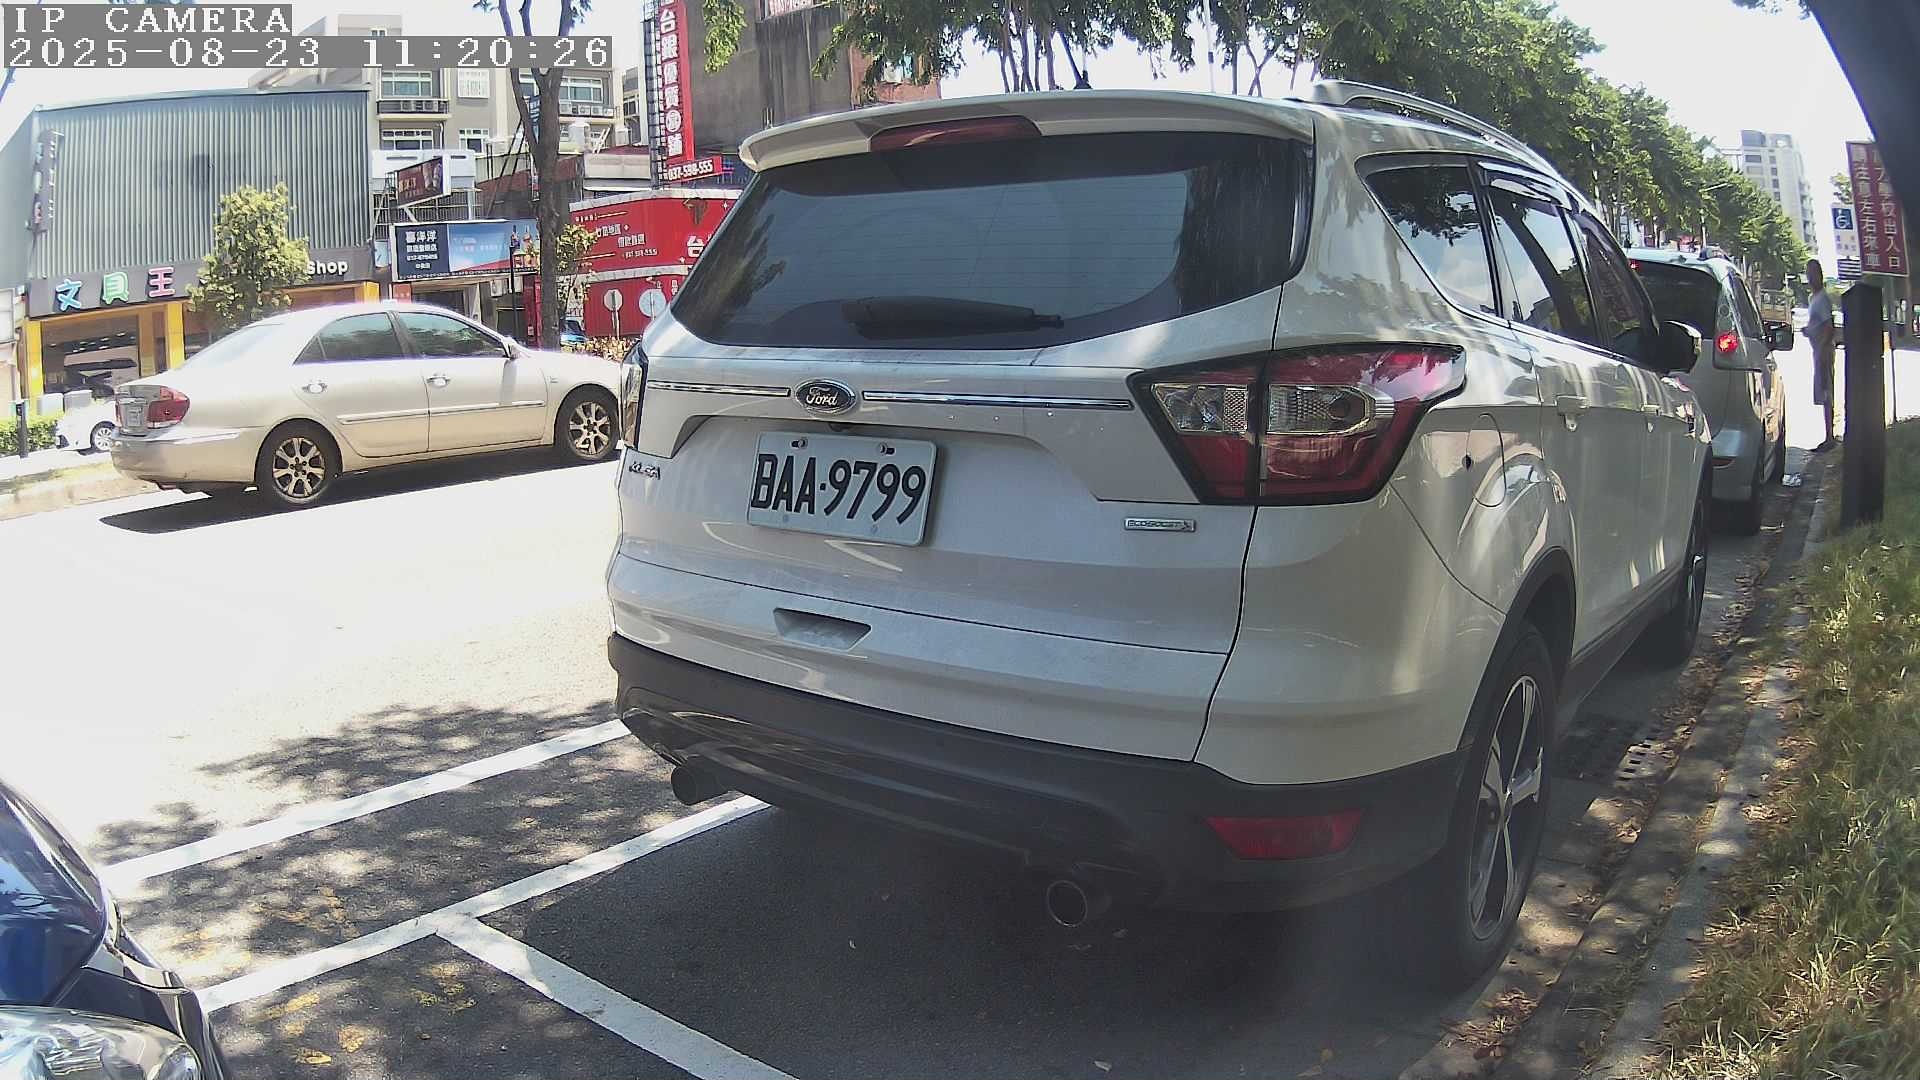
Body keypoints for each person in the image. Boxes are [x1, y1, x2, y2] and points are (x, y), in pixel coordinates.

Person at [1806, 258, 1838, 451]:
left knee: (1826, 393)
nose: (1810, 278)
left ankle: (1830, 436)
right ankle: (1828, 436)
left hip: (1823, 352)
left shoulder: (1823, 299)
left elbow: (1829, 327)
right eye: (1808, 274)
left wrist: (1823, 347)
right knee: (1822, 392)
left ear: (1820, 276)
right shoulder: (1814, 299)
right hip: (1818, 350)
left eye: (1813, 274)